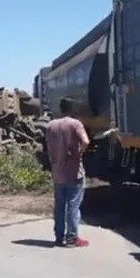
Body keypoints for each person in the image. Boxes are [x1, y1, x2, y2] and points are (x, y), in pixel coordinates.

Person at [44, 97, 90, 248]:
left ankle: (59, 236)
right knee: (73, 205)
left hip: (57, 171)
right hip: (74, 171)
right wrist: (79, 152)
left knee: (59, 205)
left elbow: (48, 147)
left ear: (60, 108)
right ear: (72, 109)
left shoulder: (51, 125)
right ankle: (72, 237)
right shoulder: (75, 124)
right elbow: (86, 141)